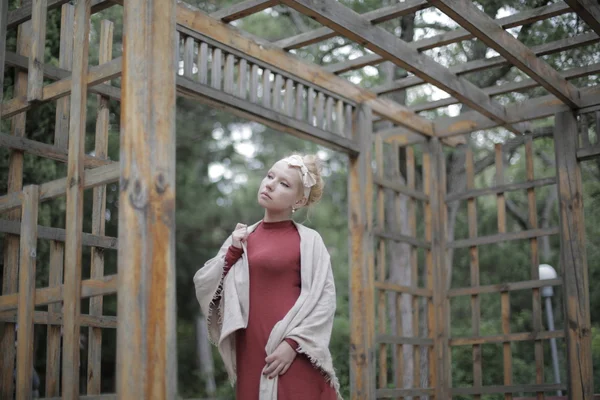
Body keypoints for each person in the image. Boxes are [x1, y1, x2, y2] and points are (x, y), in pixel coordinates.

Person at [193, 154, 342, 400]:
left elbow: (324, 301)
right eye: (270, 176)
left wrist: (292, 345)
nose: (270, 184)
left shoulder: (309, 241)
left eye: (284, 184)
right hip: (251, 352)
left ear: (300, 199)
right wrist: (232, 253)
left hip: (293, 356)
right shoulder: (242, 237)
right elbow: (206, 286)